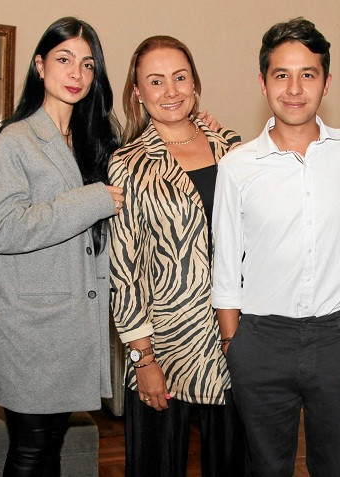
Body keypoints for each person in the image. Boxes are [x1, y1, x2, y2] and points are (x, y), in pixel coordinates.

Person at [211, 17, 340, 476]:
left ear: (326, 82)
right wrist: (233, 343)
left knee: (338, 466)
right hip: (261, 341)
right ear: (263, 83)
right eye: (281, 74)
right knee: (266, 468)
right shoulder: (238, 166)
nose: (294, 88)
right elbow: (225, 263)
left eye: (308, 74)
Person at [0, 17, 121, 475]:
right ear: (40, 66)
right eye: (64, 60)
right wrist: (91, 200)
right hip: (31, 327)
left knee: (51, 448)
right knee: (30, 450)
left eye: (87, 64)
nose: (76, 74)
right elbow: (6, 230)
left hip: (77, 321)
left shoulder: (93, 140)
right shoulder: (14, 141)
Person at [109, 35, 248, 476]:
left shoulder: (234, 150)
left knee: (235, 463)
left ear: (195, 84)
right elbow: (125, 270)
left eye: (180, 77)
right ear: (138, 92)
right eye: (156, 81)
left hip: (236, 339)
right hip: (165, 346)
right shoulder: (128, 164)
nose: (170, 91)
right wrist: (143, 359)